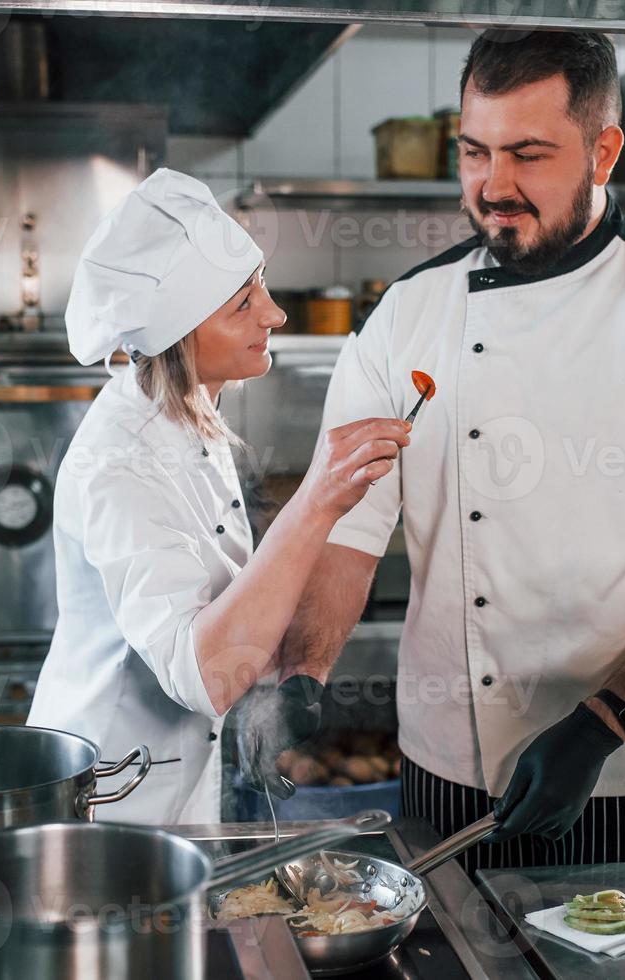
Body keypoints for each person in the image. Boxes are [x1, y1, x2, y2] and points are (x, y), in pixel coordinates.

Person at [266, 31, 625, 873]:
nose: (493, 186)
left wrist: (600, 725)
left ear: (604, 150)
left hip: (622, 776)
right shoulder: (406, 314)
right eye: (474, 152)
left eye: (529, 154)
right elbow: (347, 532)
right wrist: (300, 673)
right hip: (442, 769)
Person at [27, 169, 411, 824]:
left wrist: (283, 687)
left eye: (260, 286)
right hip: (106, 815)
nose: (275, 313)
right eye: (243, 303)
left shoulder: (189, 414)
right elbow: (206, 677)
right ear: (180, 333)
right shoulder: (119, 468)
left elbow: (225, 603)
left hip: (170, 799)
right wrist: (318, 498)